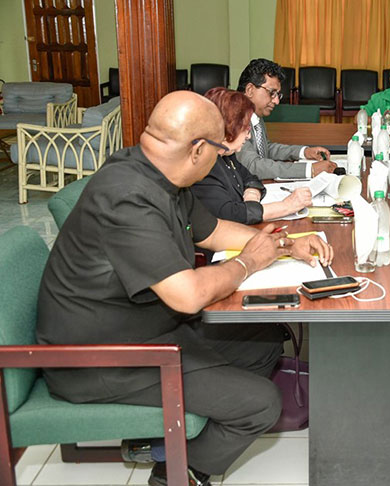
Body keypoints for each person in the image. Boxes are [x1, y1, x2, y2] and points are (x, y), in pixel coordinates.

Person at [35, 91, 333, 486]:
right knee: (260, 405)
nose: (222, 158)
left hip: (142, 324)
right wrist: (249, 263)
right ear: (197, 149)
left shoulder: (160, 172)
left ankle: (168, 434)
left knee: (262, 340)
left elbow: (212, 231)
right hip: (99, 357)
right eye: (218, 149)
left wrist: (284, 245)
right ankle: (178, 471)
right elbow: (187, 294)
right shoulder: (128, 197)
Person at [192, 87, 312, 224]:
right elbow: (231, 214)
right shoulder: (204, 166)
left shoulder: (226, 154)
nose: (249, 136)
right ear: (228, 129)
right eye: (245, 129)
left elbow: (250, 178)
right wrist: (287, 206)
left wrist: (251, 195)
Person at [236, 58, 336, 180]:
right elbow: (254, 165)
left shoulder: (255, 115)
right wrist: (310, 170)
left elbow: (266, 148)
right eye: (271, 93)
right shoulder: (235, 118)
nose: (276, 101)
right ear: (250, 90)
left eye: (278, 95)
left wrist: (304, 152)